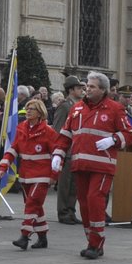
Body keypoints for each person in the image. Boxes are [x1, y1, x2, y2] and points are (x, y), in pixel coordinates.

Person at [53, 70, 132, 259]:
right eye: (86, 86)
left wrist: (113, 140)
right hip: (80, 164)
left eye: (92, 87)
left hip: (102, 165)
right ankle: (92, 241)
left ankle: (96, 243)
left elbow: (129, 134)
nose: (87, 89)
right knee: (84, 204)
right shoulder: (76, 109)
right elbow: (65, 134)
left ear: (103, 90)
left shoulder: (115, 109)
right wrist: (58, 154)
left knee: (94, 199)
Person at [0, 97, 56, 249]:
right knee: (36, 207)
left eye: (32, 109)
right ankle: (43, 238)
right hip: (25, 175)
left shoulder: (48, 131)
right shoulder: (21, 128)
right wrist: (3, 167)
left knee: (32, 204)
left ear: (40, 113)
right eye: (27, 108)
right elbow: (14, 149)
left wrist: (54, 176)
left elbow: (57, 155)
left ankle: (24, 235)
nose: (28, 111)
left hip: (42, 175)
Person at [50, 75, 83, 224]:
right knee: (65, 184)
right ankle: (63, 212)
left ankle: (71, 211)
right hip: (67, 150)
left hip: (77, 151)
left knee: (75, 185)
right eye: (78, 88)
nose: (81, 90)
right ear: (71, 90)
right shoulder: (64, 106)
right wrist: (60, 151)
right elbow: (58, 129)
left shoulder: (80, 105)